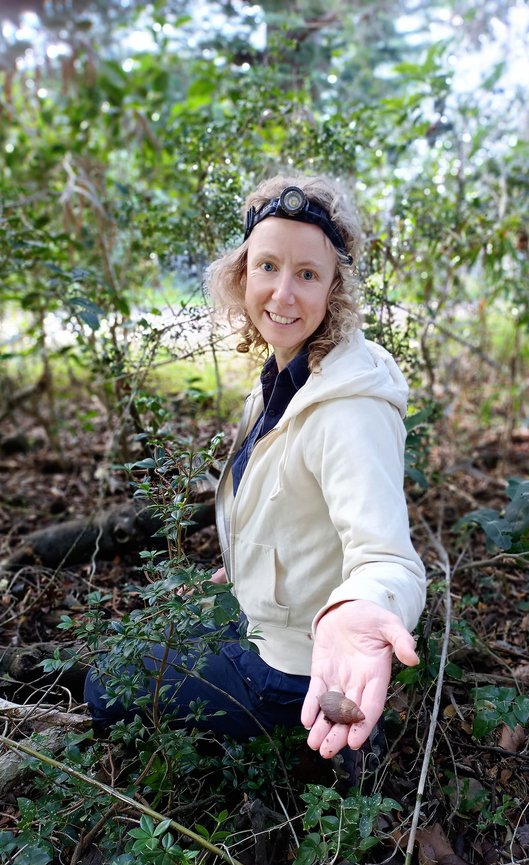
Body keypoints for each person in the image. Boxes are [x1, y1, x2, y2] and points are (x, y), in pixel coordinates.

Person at [84, 173, 426, 763]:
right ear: (242, 274)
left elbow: (388, 557)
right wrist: (244, 566)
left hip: (290, 665)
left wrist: (362, 610)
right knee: (150, 631)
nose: (283, 294)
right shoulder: (291, 373)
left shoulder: (349, 408)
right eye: (267, 266)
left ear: (334, 288)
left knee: (103, 684)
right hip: (261, 616)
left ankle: (288, 740)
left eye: (308, 274)